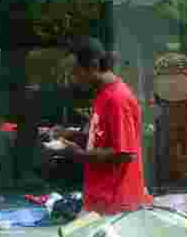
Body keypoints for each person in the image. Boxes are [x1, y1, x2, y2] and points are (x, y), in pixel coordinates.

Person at [54, 37, 148, 216]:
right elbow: (102, 139)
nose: (72, 78)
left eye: (75, 72)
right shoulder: (102, 94)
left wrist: (78, 155)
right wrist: (72, 136)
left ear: (94, 66)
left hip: (115, 205)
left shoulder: (117, 99)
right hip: (100, 200)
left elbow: (124, 153)